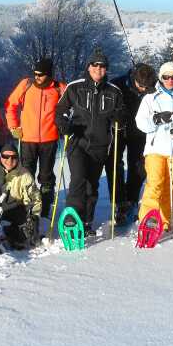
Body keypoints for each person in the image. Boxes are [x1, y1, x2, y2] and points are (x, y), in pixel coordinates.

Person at [55, 47, 126, 235]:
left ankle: (87, 221)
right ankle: (73, 219)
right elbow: (60, 109)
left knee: (91, 185)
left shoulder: (114, 91)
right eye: (95, 65)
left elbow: (121, 115)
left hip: (101, 145)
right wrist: (64, 124)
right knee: (78, 179)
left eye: (102, 66)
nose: (98, 68)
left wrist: (120, 119)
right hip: (78, 142)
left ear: (106, 69)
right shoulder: (75, 87)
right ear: (88, 67)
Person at [135, 62, 173, 230]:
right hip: (156, 148)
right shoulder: (150, 97)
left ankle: (165, 221)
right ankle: (148, 220)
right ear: (160, 78)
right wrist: (156, 120)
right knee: (155, 183)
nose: (170, 80)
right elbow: (140, 122)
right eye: (166, 77)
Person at [4, 59, 66, 219]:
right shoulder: (26, 85)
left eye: (41, 74)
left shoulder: (59, 88)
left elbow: (72, 107)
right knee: (26, 175)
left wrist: (66, 123)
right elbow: (10, 105)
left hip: (50, 140)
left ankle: (44, 211)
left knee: (46, 176)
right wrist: (13, 126)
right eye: (35, 73)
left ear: (49, 75)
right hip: (27, 139)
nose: (37, 77)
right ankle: (26, 209)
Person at [105, 62, 156, 225]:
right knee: (115, 164)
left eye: (147, 87)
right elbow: (105, 107)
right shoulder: (117, 84)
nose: (143, 89)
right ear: (134, 78)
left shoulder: (152, 88)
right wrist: (115, 115)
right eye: (141, 86)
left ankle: (132, 198)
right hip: (118, 130)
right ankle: (119, 200)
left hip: (140, 132)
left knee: (139, 166)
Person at [0, 143, 42, 249]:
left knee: (23, 237)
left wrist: (34, 218)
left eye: (13, 157)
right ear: (0, 156)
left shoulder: (25, 175)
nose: (9, 160)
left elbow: (34, 199)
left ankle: (11, 232)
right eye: (5, 156)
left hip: (12, 209)